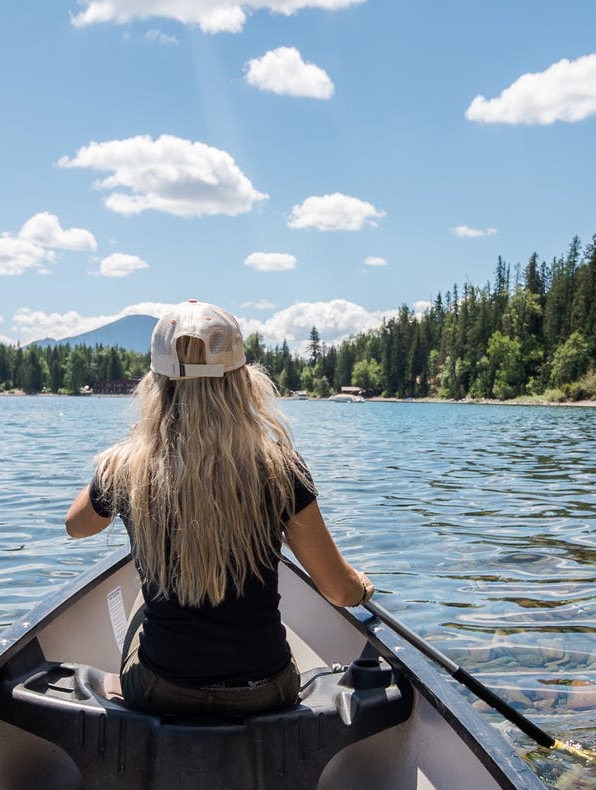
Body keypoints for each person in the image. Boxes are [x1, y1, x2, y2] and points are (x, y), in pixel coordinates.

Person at [65, 300, 373, 716]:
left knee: (140, 599)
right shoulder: (279, 467)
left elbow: (76, 526)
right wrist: (361, 588)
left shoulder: (128, 467)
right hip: (266, 689)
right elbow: (338, 590)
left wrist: (124, 455)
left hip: (161, 689)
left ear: (156, 385)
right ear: (242, 380)